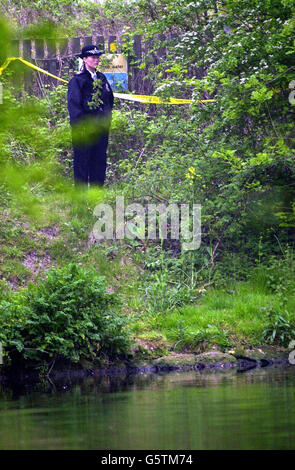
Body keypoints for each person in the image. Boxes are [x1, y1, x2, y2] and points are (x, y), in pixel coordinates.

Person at [67, 45, 114, 186]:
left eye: (97, 57)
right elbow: (74, 106)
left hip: (100, 129)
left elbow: (109, 100)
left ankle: (96, 197)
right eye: (93, 57)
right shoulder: (78, 80)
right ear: (85, 59)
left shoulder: (101, 78)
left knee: (99, 163)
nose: (96, 60)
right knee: (82, 164)